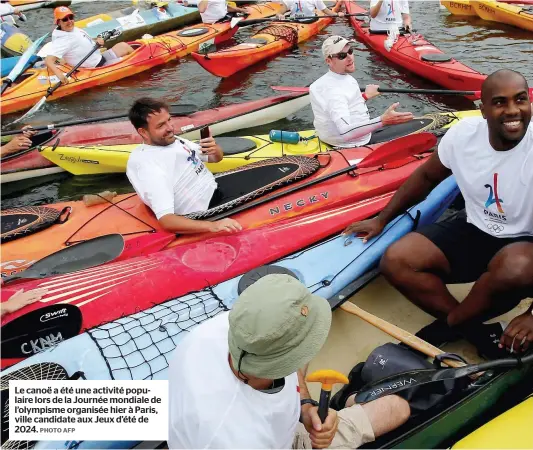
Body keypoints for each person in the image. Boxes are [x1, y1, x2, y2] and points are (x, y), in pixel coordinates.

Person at [344, 69, 533, 359]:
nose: (513, 111)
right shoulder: (462, 136)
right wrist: (382, 219)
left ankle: (450, 325)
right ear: (482, 110)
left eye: (521, 100)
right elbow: (426, 177)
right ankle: (473, 331)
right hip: (476, 229)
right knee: (397, 260)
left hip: (524, 249)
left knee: (516, 266)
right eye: (500, 102)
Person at [168, 274, 411, 449]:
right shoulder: (239, 439)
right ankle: (347, 401)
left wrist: (305, 407)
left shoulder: (229, 328)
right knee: (397, 408)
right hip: (267, 440)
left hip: (216, 428)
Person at [126, 97, 242, 234]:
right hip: (204, 212)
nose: (170, 128)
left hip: (216, 190)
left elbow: (215, 158)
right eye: (161, 125)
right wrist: (214, 226)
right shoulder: (149, 167)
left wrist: (215, 149)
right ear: (143, 132)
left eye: (169, 120)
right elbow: (167, 220)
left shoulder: (173, 141)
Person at [310, 35, 413, 148]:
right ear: (328, 61)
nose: (350, 58)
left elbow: (343, 104)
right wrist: (383, 120)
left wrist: (365, 96)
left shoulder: (333, 79)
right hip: (350, 144)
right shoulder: (334, 92)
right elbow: (345, 132)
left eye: (350, 51)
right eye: (342, 56)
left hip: (333, 137)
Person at [42, 7, 134, 85]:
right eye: (65, 19)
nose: (69, 21)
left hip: (100, 58)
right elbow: (48, 60)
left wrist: (97, 40)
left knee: (123, 46)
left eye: (71, 17)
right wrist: (60, 75)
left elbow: (84, 41)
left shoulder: (72, 29)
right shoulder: (62, 40)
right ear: (58, 22)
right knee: (131, 59)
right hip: (95, 68)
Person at [276, 0, 344, 19]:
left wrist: (337, 14)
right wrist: (279, 15)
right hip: (293, 21)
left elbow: (326, 11)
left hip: (309, 21)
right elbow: (279, 12)